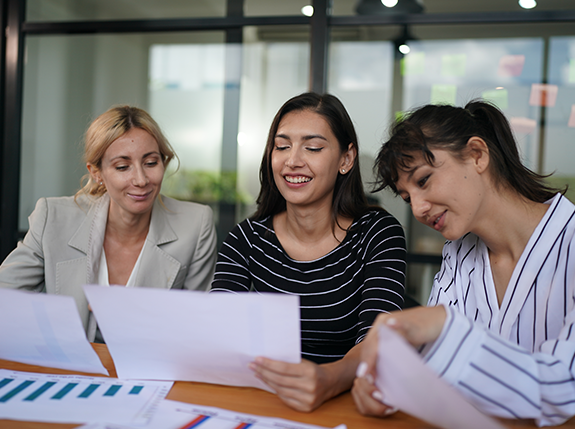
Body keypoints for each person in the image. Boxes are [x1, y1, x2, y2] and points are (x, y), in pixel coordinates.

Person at [352, 100, 575, 427]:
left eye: (424, 180)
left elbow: (564, 390)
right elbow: (431, 371)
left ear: (477, 155)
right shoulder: (459, 254)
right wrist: (385, 383)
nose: (418, 209)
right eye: (407, 197)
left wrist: (443, 325)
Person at [211, 92, 407, 412]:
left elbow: (377, 339)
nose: (292, 161)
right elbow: (219, 333)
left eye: (313, 147)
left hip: (347, 405)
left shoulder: (377, 233)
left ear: (346, 159)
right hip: (261, 401)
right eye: (282, 146)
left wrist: (329, 379)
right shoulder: (245, 238)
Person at [0, 105, 218, 342]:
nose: (141, 180)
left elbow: (200, 327)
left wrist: (142, 319)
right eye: (122, 167)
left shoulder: (195, 225)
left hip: (152, 370)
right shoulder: (53, 217)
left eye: (151, 162)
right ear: (96, 172)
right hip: (73, 370)